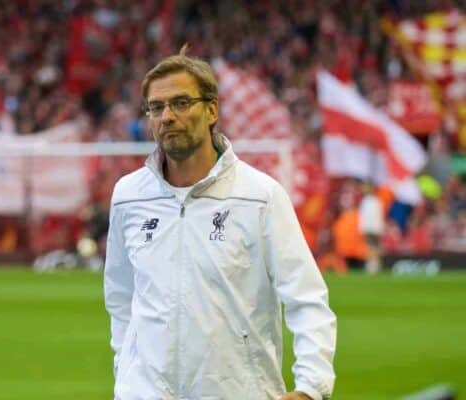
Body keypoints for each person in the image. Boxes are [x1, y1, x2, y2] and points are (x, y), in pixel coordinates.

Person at [104, 45, 336, 400]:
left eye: (181, 103)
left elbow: (306, 297)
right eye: (156, 107)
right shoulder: (128, 196)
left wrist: (310, 388)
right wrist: (127, 376)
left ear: (212, 110)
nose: (166, 116)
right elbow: (120, 299)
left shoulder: (260, 196)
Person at [358, 182, 384, 274]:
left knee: (373, 247)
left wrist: (377, 228)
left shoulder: (375, 201)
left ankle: (374, 265)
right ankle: (372, 264)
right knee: (371, 247)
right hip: (369, 228)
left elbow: (377, 216)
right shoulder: (366, 200)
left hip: (373, 228)